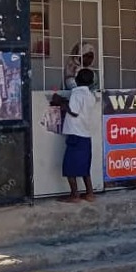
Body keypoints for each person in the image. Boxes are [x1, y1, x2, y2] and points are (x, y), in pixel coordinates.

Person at [59, 68, 96, 203]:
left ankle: (74, 195)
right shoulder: (90, 95)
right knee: (85, 167)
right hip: (85, 135)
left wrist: (62, 104)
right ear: (91, 82)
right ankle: (90, 193)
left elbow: (74, 112)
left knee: (69, 167)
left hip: (75, 134)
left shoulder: (76, 93)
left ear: (76, 80)